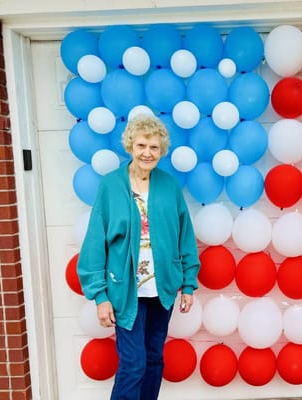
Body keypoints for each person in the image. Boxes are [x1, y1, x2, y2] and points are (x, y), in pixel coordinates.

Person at [77, 114, 200, 400]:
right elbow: (95, 242)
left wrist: (189, 284)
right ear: (131, 146)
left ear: (162, 151)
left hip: (163, 289)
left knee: (155, 359)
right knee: (134, 364)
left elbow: (184, 235)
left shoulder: (169, 186)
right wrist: (100, 295)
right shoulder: (111, 186)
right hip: (125, 290)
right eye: (142, 145)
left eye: (154, 147)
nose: (147, 153)